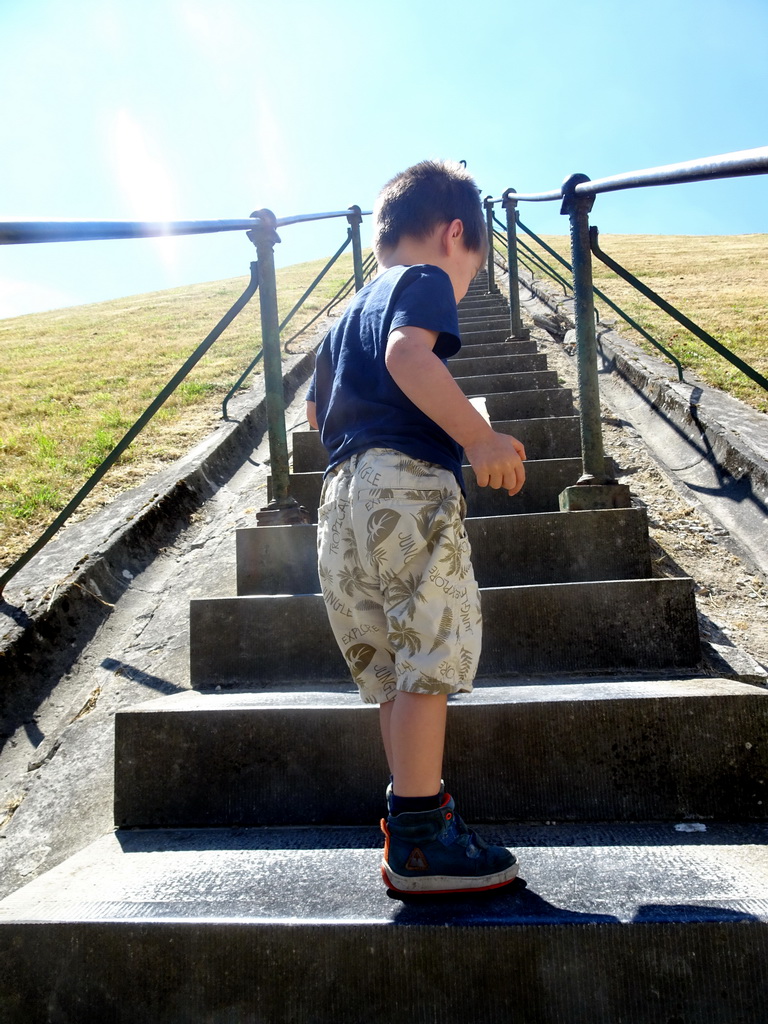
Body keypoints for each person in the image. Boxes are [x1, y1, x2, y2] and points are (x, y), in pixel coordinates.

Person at [306, 159, 526, 894]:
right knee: (430, 652)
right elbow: (409, 354)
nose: (461, 290)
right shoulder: (423, 280)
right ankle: (426, 838)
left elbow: (313, 415)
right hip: (405, 485)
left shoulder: (341, 319)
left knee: (394, 674)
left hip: (337, 500)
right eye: (473, 272)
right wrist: (479, 437)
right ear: (453, 233)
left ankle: (411, 823)